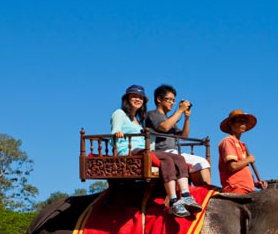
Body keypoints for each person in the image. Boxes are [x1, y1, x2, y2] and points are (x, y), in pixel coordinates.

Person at [110, 84, 201, 218]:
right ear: (127, 99)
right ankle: (174, 201)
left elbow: (183, 136)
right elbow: (115, 130)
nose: (138, 99)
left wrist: (186, 117)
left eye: (140, 98)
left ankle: (186, 195)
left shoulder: (136, 119)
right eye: (134, 96)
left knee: (178, 158)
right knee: (167, 159)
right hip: (130, 151)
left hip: (143, 150)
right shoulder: (120, 113)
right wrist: (118, 132)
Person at [145, 85, 212, 185]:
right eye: (169, 100)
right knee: (200, 162)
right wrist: (179, 111)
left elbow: (184, 136)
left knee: (202, 162)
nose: (172, 103)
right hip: (161, 152)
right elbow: (165, 127)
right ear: (159, 99)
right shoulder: (152, 114)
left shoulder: (169, 118)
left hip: (173, 152)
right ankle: (203, 191)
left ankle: (204, 190)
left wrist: (186, 118)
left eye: (173, 101)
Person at [217, 109, 268, 194]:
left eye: (245, 122)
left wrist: (255, 183)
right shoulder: (228, 141)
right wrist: (249, 159)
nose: (243, 124)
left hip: (248, 188)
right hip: (235, 187)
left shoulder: (242, 145)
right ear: (230, 124)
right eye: (240, 121)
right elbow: (232, 166)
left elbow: (242, 169)